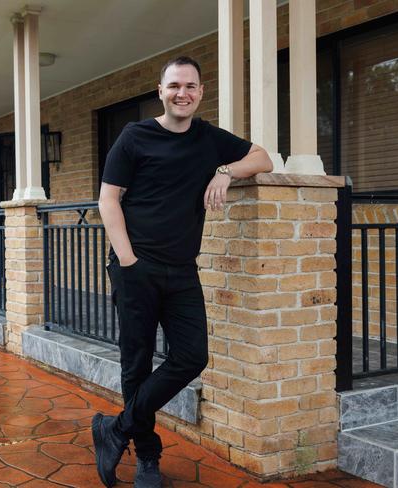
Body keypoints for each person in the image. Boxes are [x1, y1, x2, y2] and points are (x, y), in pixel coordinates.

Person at [92, 56, 273, 488]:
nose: (182, 93)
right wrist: (129, 262)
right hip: (136, 267)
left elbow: (263, 158)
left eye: (190, 86)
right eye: (174, 86)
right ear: (161, 91)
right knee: (135, 365)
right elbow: (108, 199)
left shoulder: (208, 139)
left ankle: (115, 429)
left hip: (182, 270)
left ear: (200, 93)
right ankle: (148, 457)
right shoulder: (135, 136)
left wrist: (225, 172)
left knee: (191, 356)